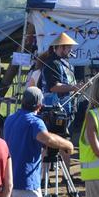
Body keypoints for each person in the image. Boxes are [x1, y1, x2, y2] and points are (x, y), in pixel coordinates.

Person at [3, 87, 74, 197]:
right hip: (27, 182)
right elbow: (47, 139)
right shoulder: (34, 122)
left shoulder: (10, 119)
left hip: (10, 180)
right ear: (40, 105)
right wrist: (67, 144)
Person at [39, 32, 84, 162]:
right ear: (60, 48)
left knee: (65, 140)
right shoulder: (52, 63)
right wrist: (74, 88)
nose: (70, 50)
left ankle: (66, 174)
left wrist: (77, 88)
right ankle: (43, 175)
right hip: (54, 109)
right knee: (50, 141)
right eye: (68, 47)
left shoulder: (67, 64)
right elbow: (53, 87)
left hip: (67, 109)